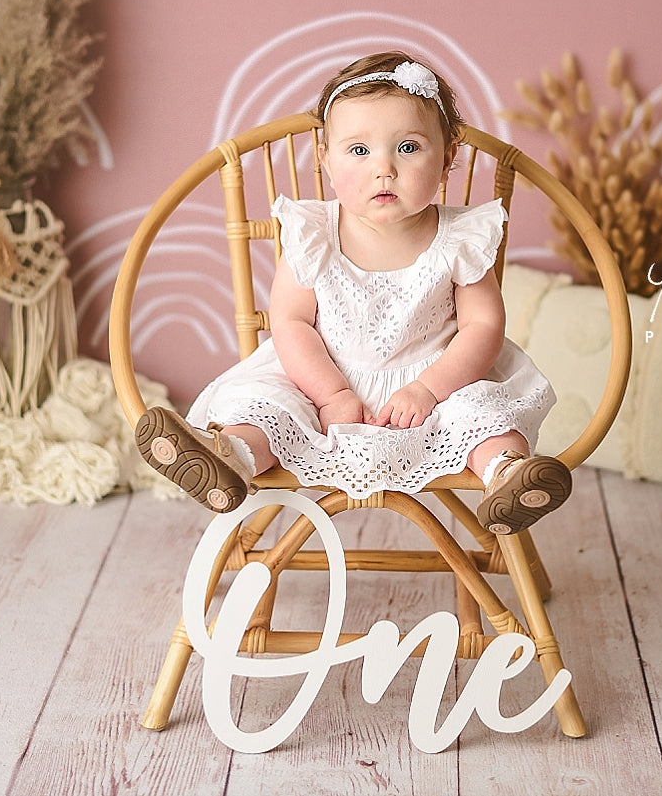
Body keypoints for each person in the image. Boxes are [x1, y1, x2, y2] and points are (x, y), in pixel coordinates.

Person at [137, 51, 570, 535]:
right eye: (359, 151)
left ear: (447, 158)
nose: (383, 168)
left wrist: (428, 389)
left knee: (481, 414)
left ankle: (506, 475)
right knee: (267, 405)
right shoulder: (315, 232)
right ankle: (228, 456)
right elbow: (291, 322)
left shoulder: (460, 239)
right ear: (325, 158)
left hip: (434, 388)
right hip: (317, 381)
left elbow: (483, 325)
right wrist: (331, 393)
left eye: (407, 148)